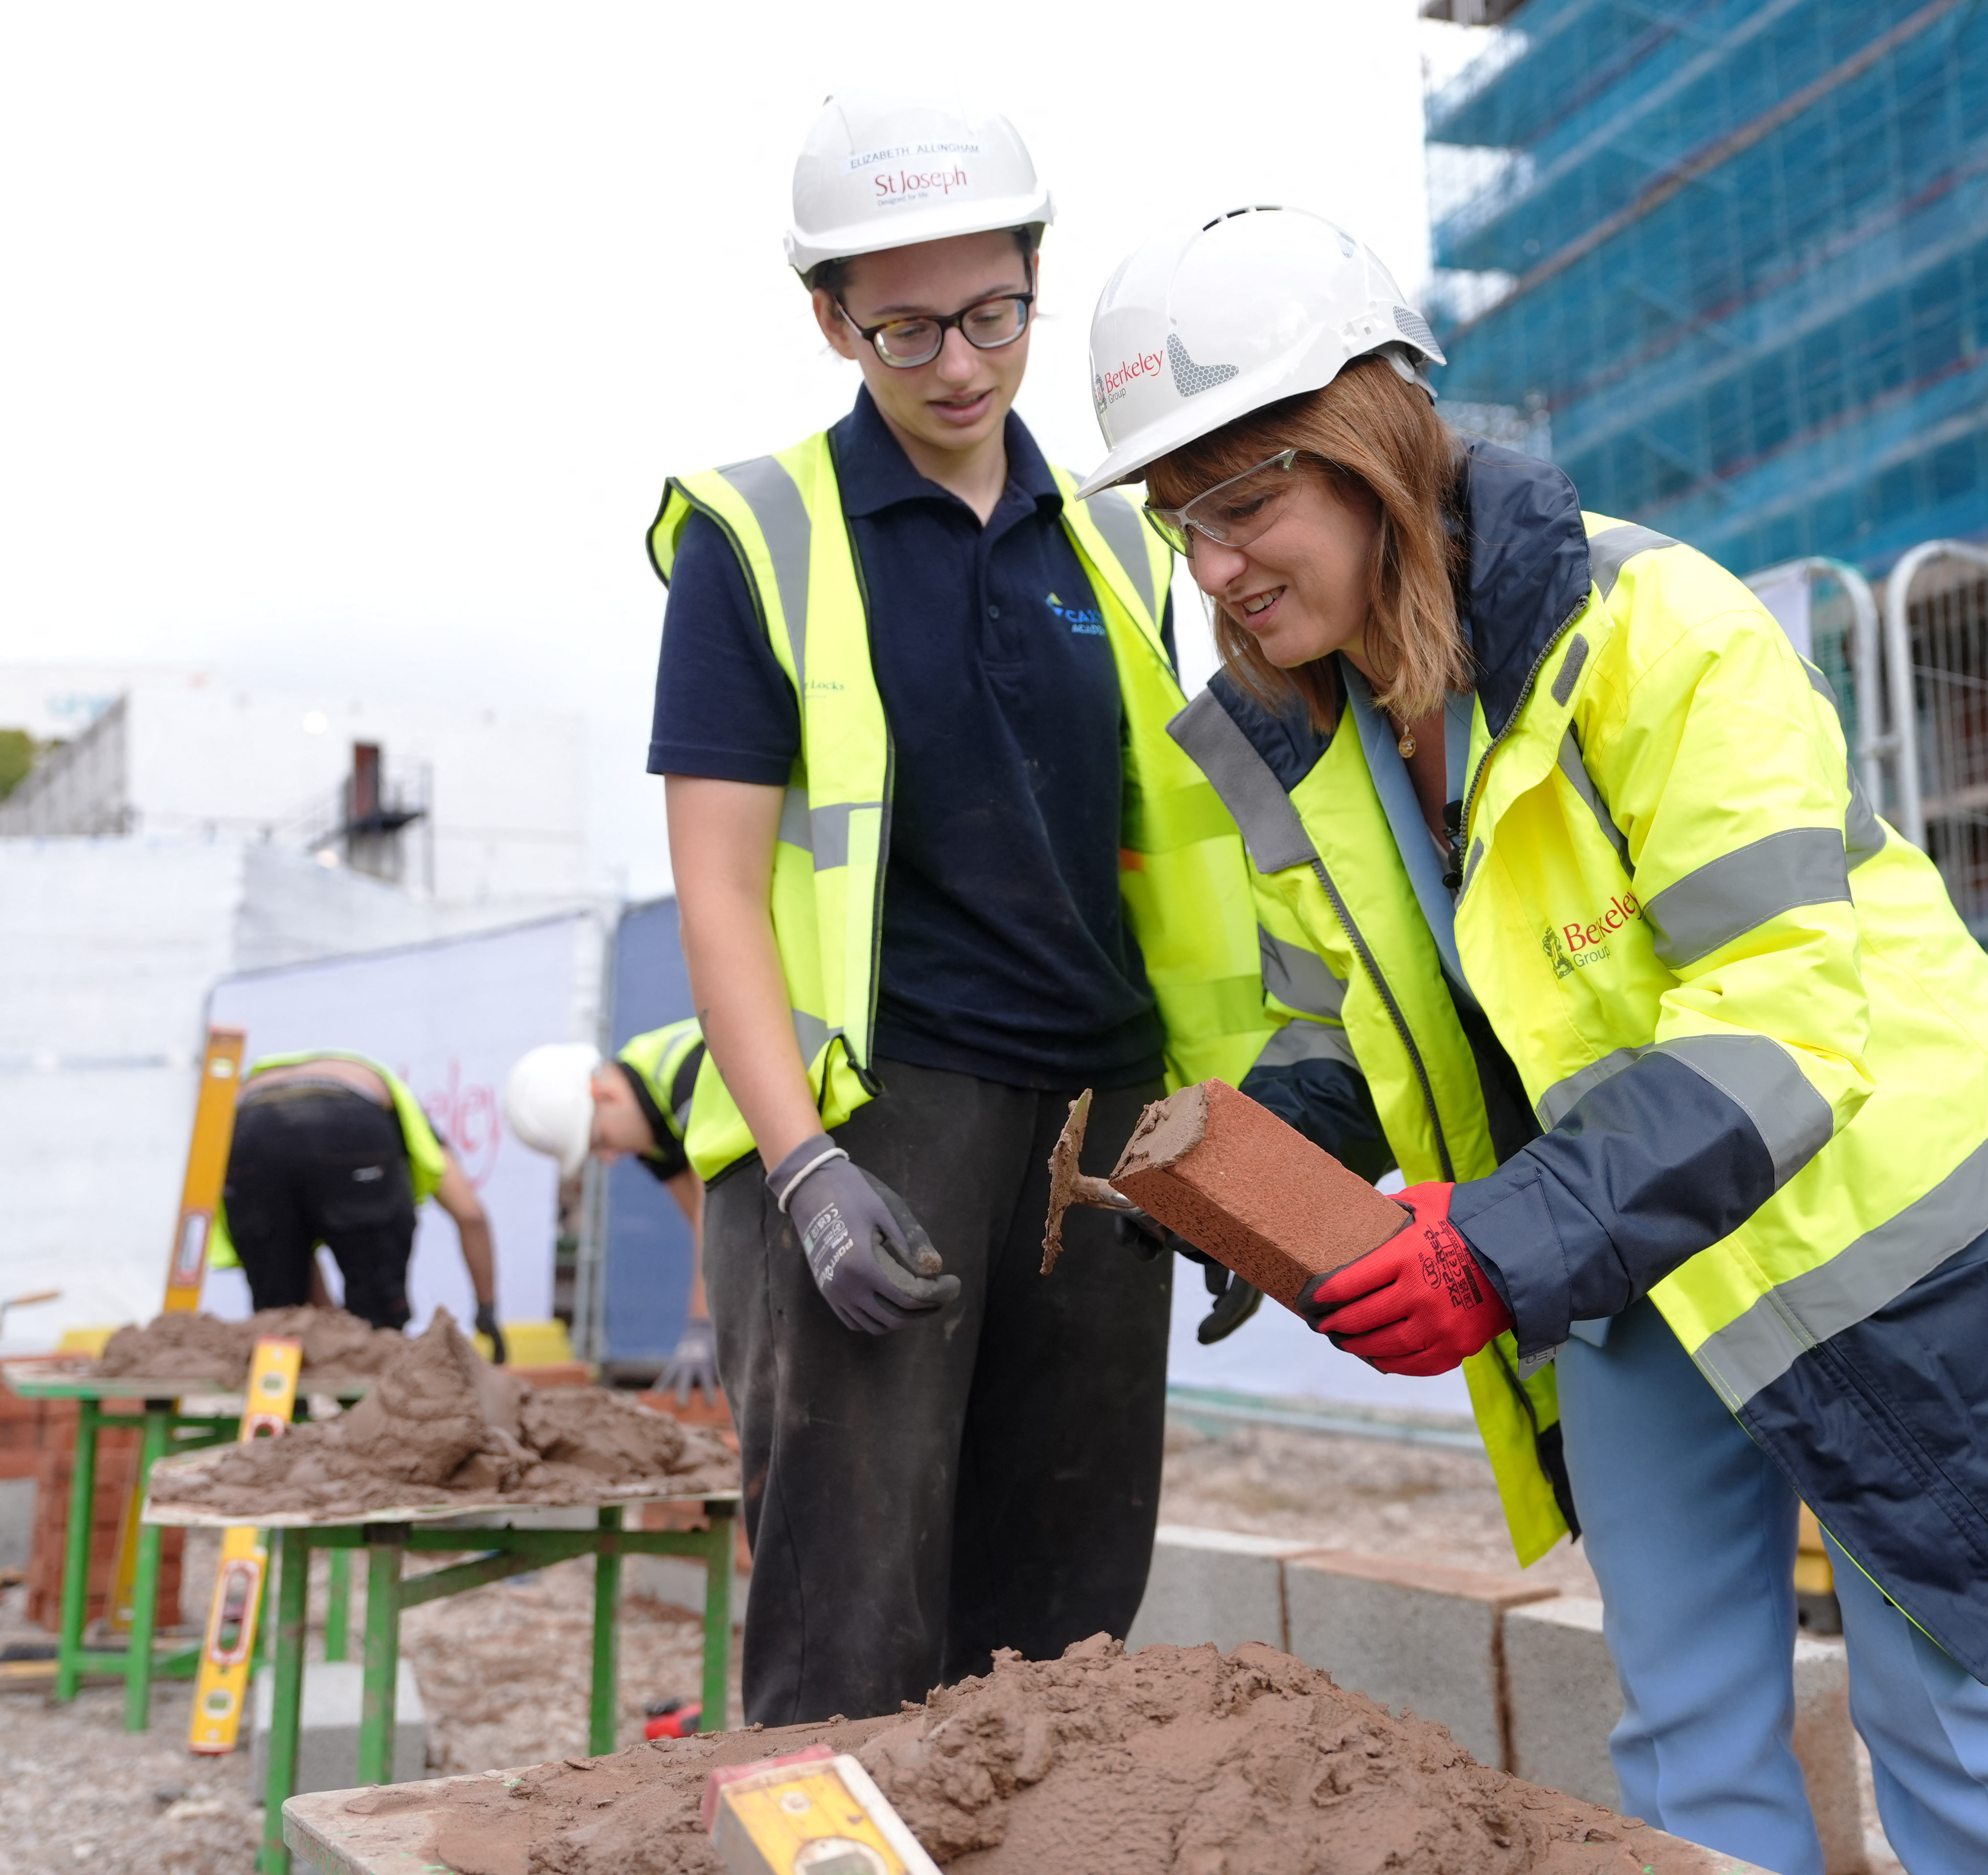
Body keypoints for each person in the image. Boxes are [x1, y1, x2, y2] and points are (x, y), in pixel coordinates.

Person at [1077, 206, 1988, 1875]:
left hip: (1886, 1241)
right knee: (1683, 1732)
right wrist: (1247, 1173)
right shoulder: (1311, 742)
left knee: (1959, 1720)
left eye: (1248, 506)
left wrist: (1498, 1245)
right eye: (1184, 523)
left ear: (1374, 443)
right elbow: (1363, 1035)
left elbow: (1781, 1026)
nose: (1216, 567)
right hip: (1628, 1252)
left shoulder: (1660, 632)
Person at [644, 91, 1269, 1727]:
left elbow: (1184, 857)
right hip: (883, 1110)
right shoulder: (759, 537)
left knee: (1061, 1625)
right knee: (852, 1617)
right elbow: (716, 890)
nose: (959, 365)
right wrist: (803, 1172)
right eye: (904, 327)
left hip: (1104, 1119)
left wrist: (1230, 1144)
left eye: (994, 313)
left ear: (1036, 281)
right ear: (829, 318)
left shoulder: (1127, 541)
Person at [217, 1051, 502, 1357]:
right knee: (377, 1319)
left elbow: (293, 1242)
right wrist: (487, 1309)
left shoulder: (265, 1079)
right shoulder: (399, 1111)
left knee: (280, 1320)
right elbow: (470, 1214)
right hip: (348, 1118)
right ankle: (378, 1382)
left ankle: (277, 1399)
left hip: (247, 1126)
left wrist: (327, 1328)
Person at [505, 1022, 718, 1399]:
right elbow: (703, 1227)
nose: (609, 1157)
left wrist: (702, 1329)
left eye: (599, 1140)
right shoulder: (651, 1120)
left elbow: (717, 1221)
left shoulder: (692, 1072)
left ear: (604, 1094)